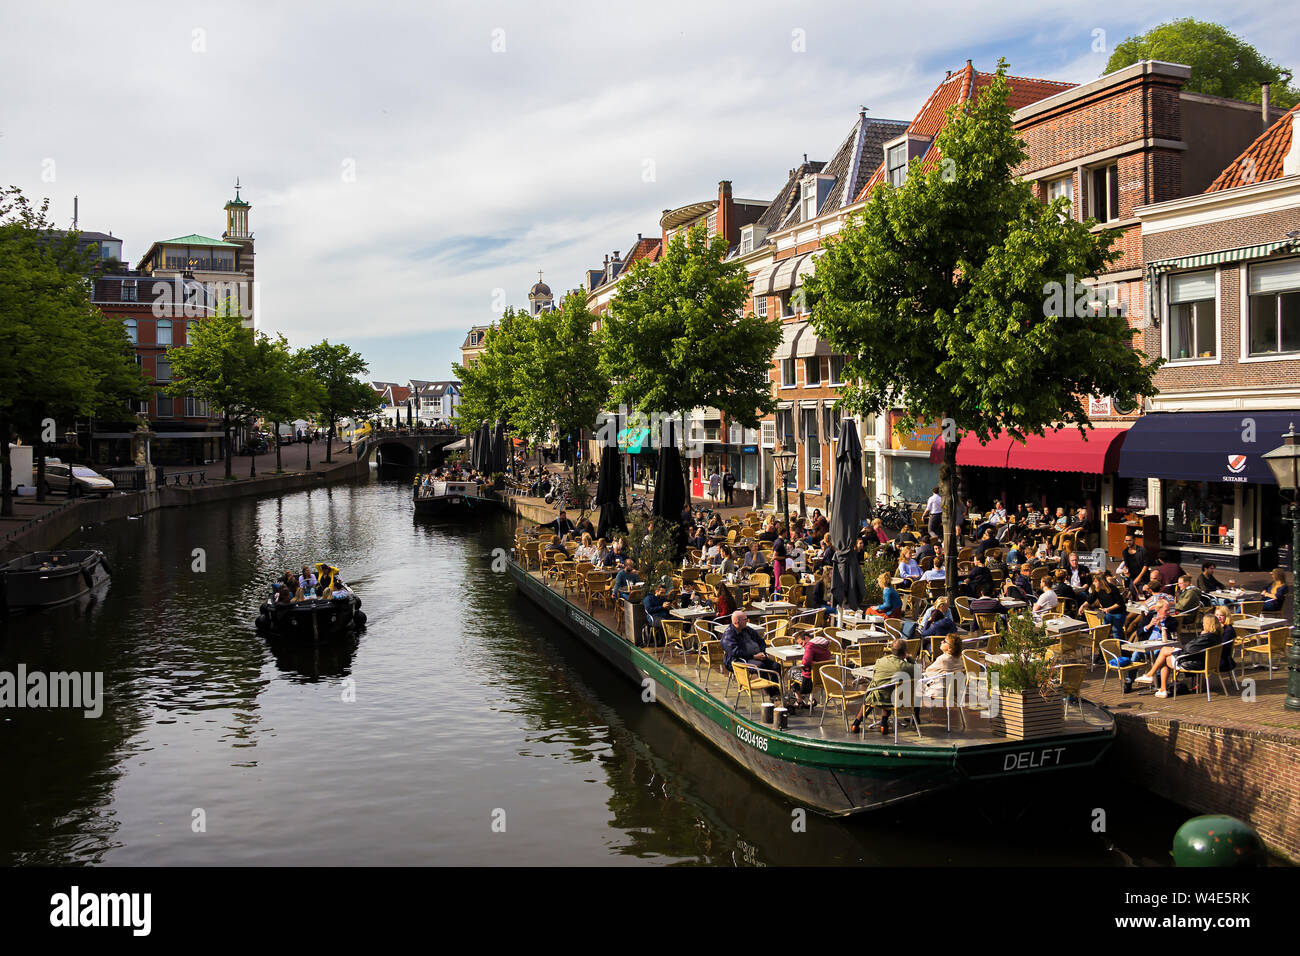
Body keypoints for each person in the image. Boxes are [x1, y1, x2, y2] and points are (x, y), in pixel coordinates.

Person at [1137, 611, 1222, 698]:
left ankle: (1155, 681)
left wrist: (1178, 649)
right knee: (1165, 652)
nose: (1202, 625)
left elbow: (1189, 649)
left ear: (1207, 625)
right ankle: (1155, 681)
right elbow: (1194, 648)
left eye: (1204, 623)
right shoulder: (1217, 636)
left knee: (1165, 656)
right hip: (1206, 662)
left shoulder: (1206, 637)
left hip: (1194, 663)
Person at [850, 638, 914, 735]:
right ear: (905, 652)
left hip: (877, 696)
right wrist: (910, 659)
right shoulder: (907, 667)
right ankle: (884, 724)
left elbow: (876, 675)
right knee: (890, 688)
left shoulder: (880, 661)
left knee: (877, 687)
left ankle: (856, 723)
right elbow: (918, 671)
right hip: (896, 699)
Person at [720, 611, 780, 695]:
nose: (747, 621)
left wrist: (762, 652)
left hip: (757, 656)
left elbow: (760, 641)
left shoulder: (747, 630)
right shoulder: (729, 635)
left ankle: (777, 691)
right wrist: (753, 656)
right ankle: (771, 693)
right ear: (737, 621)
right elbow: (735, 652)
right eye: (745, 619)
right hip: (739, 660)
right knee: (760, 666)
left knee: (776, 666)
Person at [791, 630, 833, 709]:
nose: (802, 646)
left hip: (811, 678)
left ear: (806, 638)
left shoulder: (810, 646)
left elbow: (806, 662)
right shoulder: (823, 644)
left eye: (801, 643)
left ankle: (800, 700)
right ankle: (810, 698)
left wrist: (802, 663)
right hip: (824, 676)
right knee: (797, 672)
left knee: (792, 673)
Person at [921, 634, 965, 704]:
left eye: (944, 641)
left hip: (938, 691)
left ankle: (913, 712)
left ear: (950, 647)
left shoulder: (943, 659)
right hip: (952, 691)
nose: (941, 642)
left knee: (911, 684)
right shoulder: (959, 659)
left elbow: (928, 672)